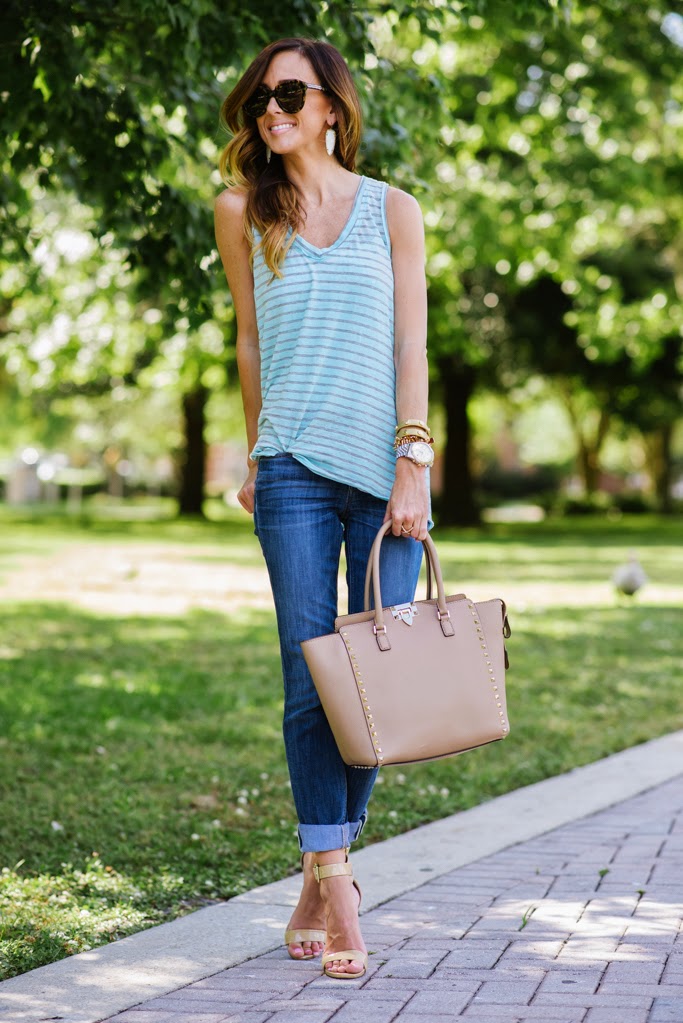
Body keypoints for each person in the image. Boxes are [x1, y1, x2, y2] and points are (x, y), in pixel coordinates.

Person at [214, 36, 433, 980]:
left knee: (373, 680)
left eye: (291, 94)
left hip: (385, 474)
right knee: (311, 680)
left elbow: (411, 345)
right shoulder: (240, 211)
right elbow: (251, 344)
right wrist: (256, 449)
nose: (273, 109)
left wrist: (414, 458)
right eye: (262, 99)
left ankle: (315, 874)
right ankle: (341, 882)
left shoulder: (394, 210)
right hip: (293, 471)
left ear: (333, 107)